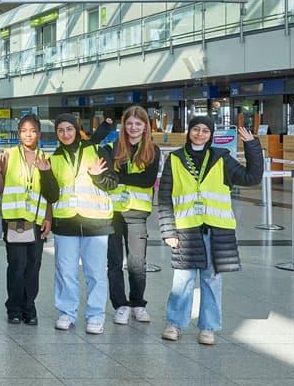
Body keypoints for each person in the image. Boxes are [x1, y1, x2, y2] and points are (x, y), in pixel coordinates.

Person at [158, 117, 262, 345]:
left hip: (216, 231)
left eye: (205, 130)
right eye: (196, 129)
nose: (200, 133)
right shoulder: (175, 158)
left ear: (211, 134)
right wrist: (168, 231)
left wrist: (252, 146)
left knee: (212, 279)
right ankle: (174, 324)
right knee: (182, 280)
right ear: (189, 132)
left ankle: (208, 327)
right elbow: (164, 197)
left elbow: (252, 177)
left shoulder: (221, 158)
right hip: (186, 229)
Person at [40, 113, 118, 335]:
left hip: (95, 223)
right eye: (61, 130)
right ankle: (66, 312)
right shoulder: (53, 158)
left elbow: (112, 183)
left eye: (69, 129)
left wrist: (97, 177)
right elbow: (52, 195)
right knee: (65, 271)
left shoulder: (97, 151)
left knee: (95, 273)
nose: (65, 134)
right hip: (66, 223)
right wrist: (45, 173)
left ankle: (95, 315)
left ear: (77, 130)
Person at [0, 114, 52, 325]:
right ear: (18, 134)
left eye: (32, 130)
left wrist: (48, 218)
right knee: (17, 264)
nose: (28, 134)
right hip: (14, 220)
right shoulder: (8, 155)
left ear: (39, 134)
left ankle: (29, 306)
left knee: (33, 265)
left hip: (36, 221)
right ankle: (14, 307)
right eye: (24, 130)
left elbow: (49, 193)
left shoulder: (45, 157)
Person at [102, 106, 158, 325]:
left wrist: (120, 176)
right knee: (114, 262)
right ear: (123, 126)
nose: (133, 127)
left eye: (138, 123)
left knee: (137, 263)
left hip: (137, 214)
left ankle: (138, 304)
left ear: (145, 126)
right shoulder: (112, 148)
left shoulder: (153, 150)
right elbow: (108, 178)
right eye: (129, 123)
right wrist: (117, 176)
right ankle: (120, 305)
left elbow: (147, 180)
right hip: (113, 213)